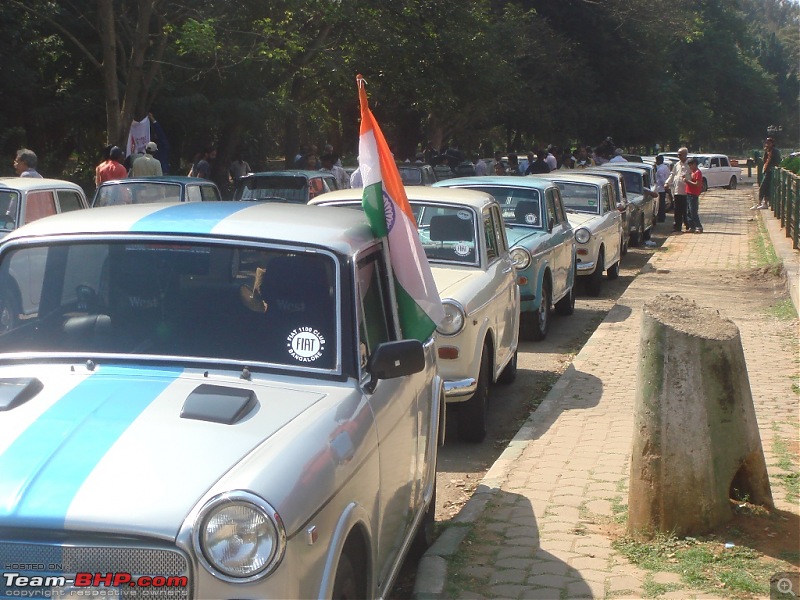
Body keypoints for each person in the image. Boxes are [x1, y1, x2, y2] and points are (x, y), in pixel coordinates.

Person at [664, 147, 690, 233]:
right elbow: (672, 174)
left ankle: (688, 225)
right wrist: (667, 182)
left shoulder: (689, 164)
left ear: (685, 155)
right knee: (677, 210)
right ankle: (677, 227)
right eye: (678, 154)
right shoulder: (677, 164)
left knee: (686, 210)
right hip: (677, 191)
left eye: (680, 154)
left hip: (687, 191)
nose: (678, 156)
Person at [752, 137, 782, 210]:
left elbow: (777, 161)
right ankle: (763, 203)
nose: (767, 144)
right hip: (766, 171)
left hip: (770, 171)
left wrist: (773, 167)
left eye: (769, 143)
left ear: (772, 143)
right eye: (766, 143)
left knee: (763, 187)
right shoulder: (767, 151)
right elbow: (764, 160)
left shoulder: (775, 151)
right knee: (766, 188)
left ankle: (761, 203)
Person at [683, 157, 703, 233]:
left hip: (693, 194)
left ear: (695, 164)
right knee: (688, 211)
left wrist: (687, 181)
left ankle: (699, 226)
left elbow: (697, 184)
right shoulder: (692, 172)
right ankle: (692, 227)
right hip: (688, 193)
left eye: (691, 164)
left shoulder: (698, 172)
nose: (690, 166)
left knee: (693, 211)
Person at [655, 154, 671, 222]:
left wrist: (664, 185)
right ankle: (662, 217)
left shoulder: (660, 169)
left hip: (660, 188)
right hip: (663, 188)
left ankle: (661, 218)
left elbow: (661, 179)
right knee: (662, 204)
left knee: (660, 204)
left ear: (659, 161)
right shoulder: (666, 167)